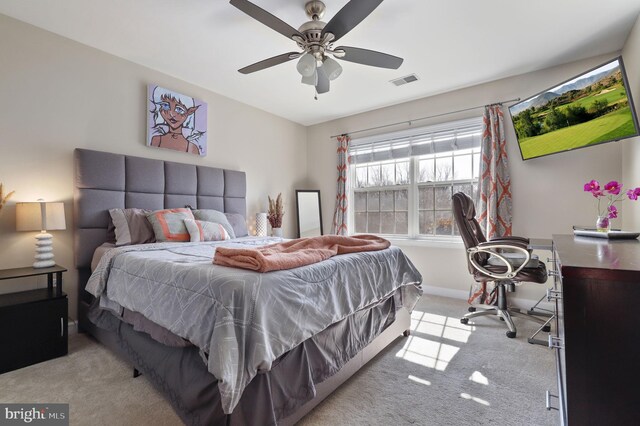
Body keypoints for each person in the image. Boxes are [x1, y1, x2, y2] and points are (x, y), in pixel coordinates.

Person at [149, 86, 205, 155]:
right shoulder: (156, 140)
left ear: (189, 112)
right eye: (166, 106)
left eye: (179, 109)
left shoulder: (192, 148)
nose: (172, 114)